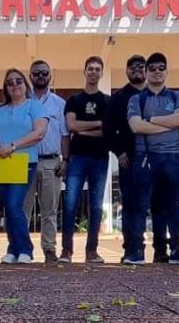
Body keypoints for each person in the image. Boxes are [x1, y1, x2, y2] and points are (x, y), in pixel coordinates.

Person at [126, 52, 179, 265]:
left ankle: (175, 249)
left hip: (172, 157)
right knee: (140, 205)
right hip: (145, 157)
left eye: (161, 67)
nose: (156, 72)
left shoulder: (177, 96)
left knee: (171, 205)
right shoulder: (137, 98)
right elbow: (136, 126)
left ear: (166, 71)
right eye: (152, 68)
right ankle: (136, 251)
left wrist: (152, 120)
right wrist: (168, 123)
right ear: (146, 72)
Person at [0, 68, 48, 263]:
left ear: (25, 84)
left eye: (18, 81)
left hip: (24, 161)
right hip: (2, 162)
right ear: (6, 87)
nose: (15, 85)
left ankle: (26, 249)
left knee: (14, 205)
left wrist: (13, 146)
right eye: (10, 82)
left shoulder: (34, 106)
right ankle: (13, 249)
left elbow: (39, 132)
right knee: (8, 207)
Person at [60, 56, 110, 264]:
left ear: (101, 73)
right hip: (77, 158)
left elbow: (108, 132)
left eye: (97, 69)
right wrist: (97, 124)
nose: (93, 72)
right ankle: (66, 251)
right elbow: (71, 126)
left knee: (96, 207)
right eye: (90, 68)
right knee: (70, 204)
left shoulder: (108, 101)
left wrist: (84, 129)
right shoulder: (74, 100)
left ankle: (92, 251)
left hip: (99, 158)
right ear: (84, 71)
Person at [22, 60, 70, 264]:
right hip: (25, 161)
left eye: (44, 73)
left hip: (51, 161)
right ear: (30, 76)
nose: (40, 76)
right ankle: (21, 248)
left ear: (50, 76)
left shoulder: (59, 103)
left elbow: (65, 135)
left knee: (50, 209)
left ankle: (49, 249)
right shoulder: (22, 101)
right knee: (22, 208)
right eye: (36, 73)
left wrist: (65, 160)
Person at [104, 54, 147, 264]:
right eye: (132, 67)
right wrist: (119, 152)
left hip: (156, 158)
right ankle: (132, 248)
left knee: (158, 204)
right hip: (129, 159)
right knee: (131, 205)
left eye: (141, 66)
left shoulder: (155, 95)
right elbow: (109, 129)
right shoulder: (119, 97)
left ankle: (162, 250)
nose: (137, 70)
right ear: (126, 71)